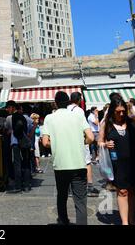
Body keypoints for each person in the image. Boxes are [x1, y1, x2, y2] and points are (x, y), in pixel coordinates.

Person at [42, 91, 94, 225]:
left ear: (56, 103)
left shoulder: (49, 118)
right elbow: (91, 137)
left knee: (62, 196)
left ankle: (63, 221)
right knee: (81, 201)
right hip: (79, 164)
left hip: (61, 164)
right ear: (68, 102)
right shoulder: (78, 116)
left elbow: (45, 142)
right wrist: (79, 142)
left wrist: (59, 142)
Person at [98, 97, 135, 225]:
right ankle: (125, 222)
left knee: (131, 190)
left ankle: (132, 219)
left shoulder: (131, 122)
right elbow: (99, 141)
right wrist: (105, 144)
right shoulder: (106, 124)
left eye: (123, 111)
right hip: (117, 164)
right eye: (118, 111)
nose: (121, 114)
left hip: (133, 162)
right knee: (122, 191)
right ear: (112, 111)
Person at [4, 101, 31, 193]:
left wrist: (15, 133)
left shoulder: (14, 116)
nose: (7, 110)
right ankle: (27, 185)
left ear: (12, 107)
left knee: (17, 164)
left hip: (17, 142)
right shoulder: (22, 116)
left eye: (8, 107)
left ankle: (18, 185)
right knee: (26, 163)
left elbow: (18, 126)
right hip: (24, 142)